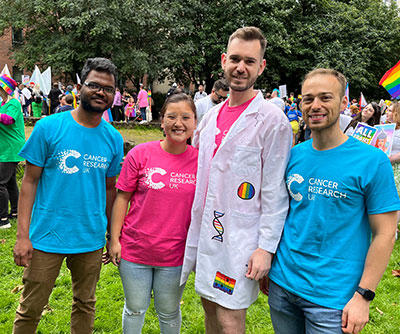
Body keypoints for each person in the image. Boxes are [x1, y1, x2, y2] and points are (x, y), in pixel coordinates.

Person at [267, 68, 400, 334]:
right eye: (308, 98)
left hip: (333, 301)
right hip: (282, 287)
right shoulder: (293, 155)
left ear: (342, 104)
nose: (315, 105)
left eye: (325, 98)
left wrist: (364, 295)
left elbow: (386, 233)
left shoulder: (372, 161)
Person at [180, 26, 292, 333]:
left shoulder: (272, 121)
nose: (240, 67)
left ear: (261, 67)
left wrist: (265, 248)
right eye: (235, 59)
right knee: (209, 306)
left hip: (240, 241)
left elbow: (274, 191)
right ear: (223, 60)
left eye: (250, 61)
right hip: (207, 235)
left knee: (230, 315)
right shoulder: (210, 117)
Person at [12, 57, 124, 334]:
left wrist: (112, 236)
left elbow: (111, 189)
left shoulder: (113, 138)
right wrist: (22, 236)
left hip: (90, 237)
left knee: (85, 303)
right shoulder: (49, 128)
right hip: (46, 237)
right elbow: (29, 183)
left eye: (108, 89)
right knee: (30, 309)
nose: (101, 92)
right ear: (79, 86)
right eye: (94, 85)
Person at [108, 92, 198, 333]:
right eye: (172, 116)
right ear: (161, 120)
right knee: (135, 308)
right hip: (135, 250)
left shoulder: (202, 162)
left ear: (195, 123)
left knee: (169, 311)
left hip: (176, 254)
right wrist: (114, 239)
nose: (178, 123)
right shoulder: (140, 154)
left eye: (186, 117)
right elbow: (122, 198)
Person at [0, 74, 25, 228]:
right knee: (9, 182)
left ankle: (3, 220)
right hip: (5, 147)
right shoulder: (3, 104)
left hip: (10, 148)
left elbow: (9, 120)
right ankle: (15, 211)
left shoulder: (14, 103)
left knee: (0, 183)